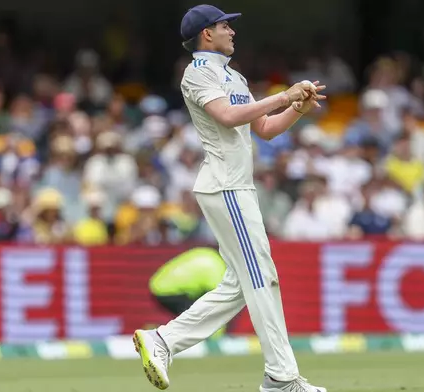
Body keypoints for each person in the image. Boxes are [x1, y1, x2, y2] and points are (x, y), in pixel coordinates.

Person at [132, 4, 327, 392]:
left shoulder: (232, 75)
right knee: (263, 279)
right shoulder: (198, 73)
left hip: (236, 187)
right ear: (207, 34)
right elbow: (226, 116)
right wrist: (282, 95)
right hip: (226, 186)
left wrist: (296, 109)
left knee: (241, 285)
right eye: (225, 26)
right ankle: (281, 378)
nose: (232, 32)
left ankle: (163, 340)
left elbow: (264, 129)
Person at [149, 247, 228, 337]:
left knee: (194, 319)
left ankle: (157, 333)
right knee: (198, 318)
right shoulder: (218, 267)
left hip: (159, 284)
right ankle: (158, 337)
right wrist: (217, 337)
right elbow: (217, 306)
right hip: (169, 291)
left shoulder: (210, 255)